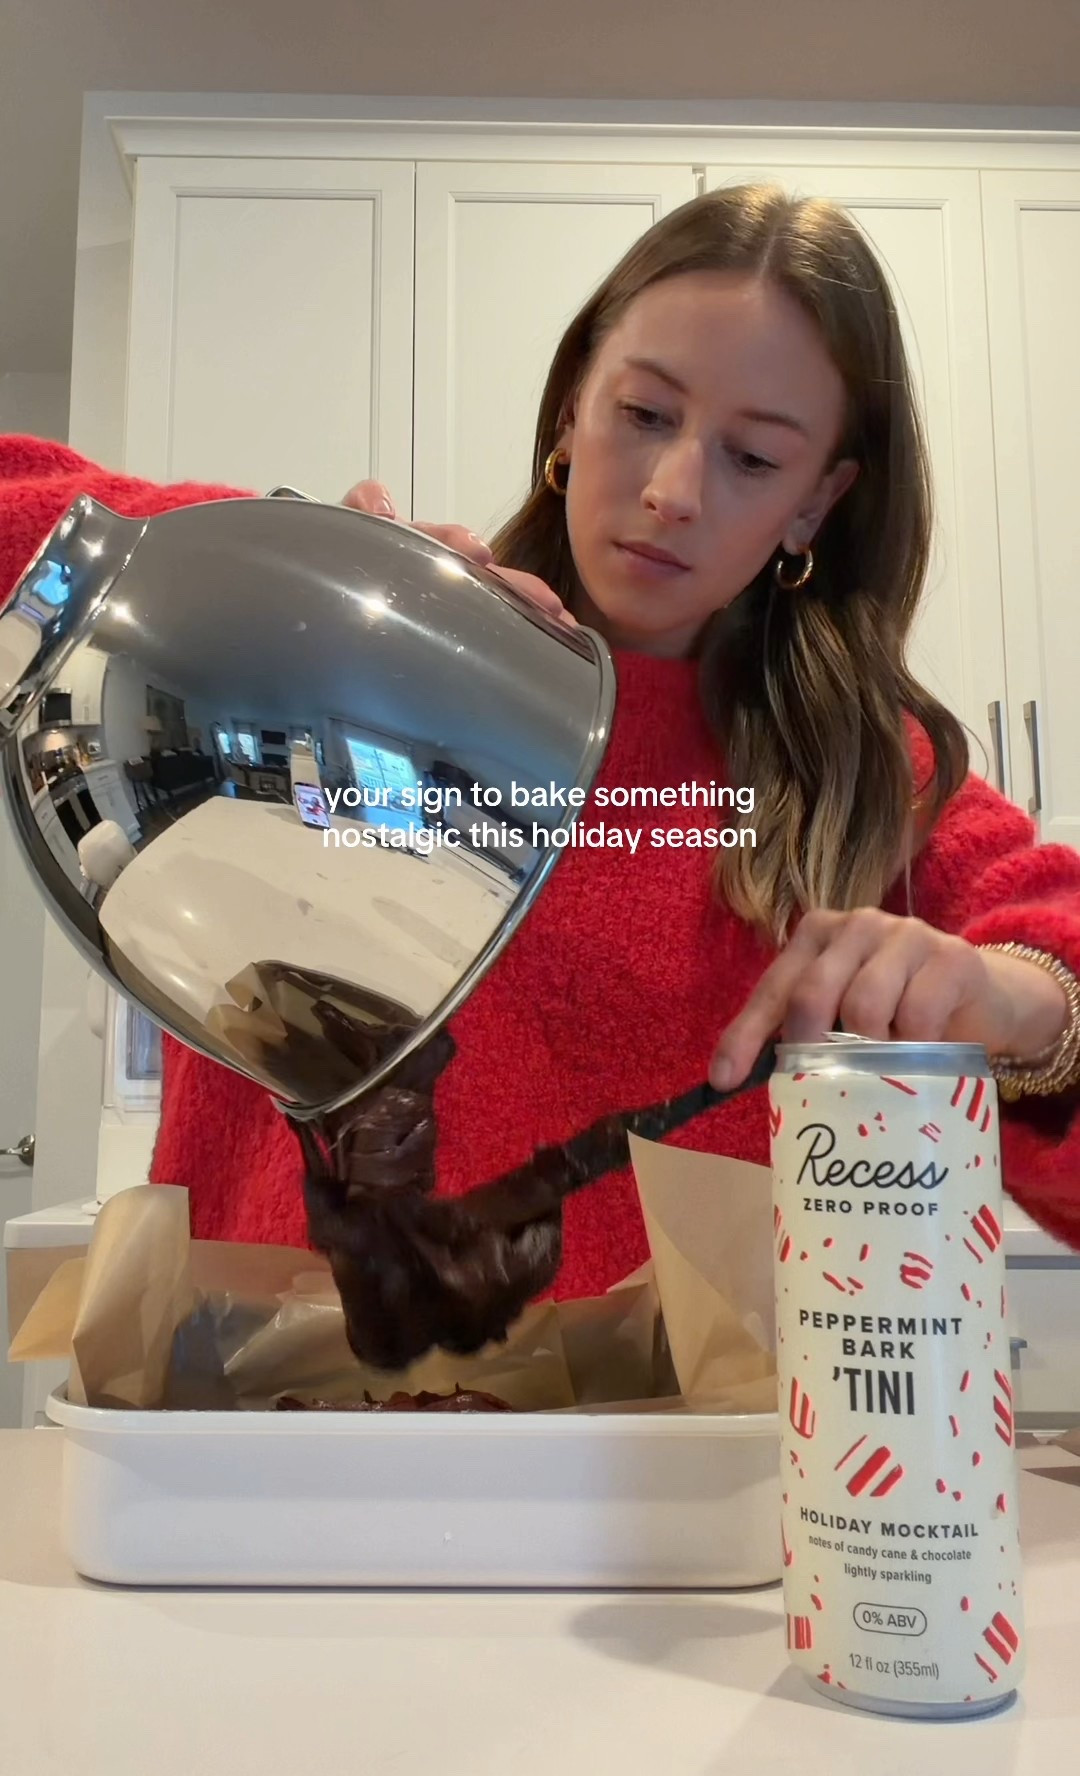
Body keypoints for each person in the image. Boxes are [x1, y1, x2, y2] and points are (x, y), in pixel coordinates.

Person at [3, 182, 1080, 1299]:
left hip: (687, 1466)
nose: (671, 492)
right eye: (645, 415)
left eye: (754, 460)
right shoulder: (348, 652)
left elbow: (1055, 946)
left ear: (817, 502)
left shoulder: (863, 774)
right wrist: (259, 560)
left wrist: (1024, 1004)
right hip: (274, 1439)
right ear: (572, 408)